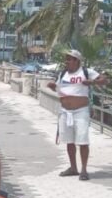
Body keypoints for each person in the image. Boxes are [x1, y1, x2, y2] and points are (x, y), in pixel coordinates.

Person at [46, 49, 107, 181]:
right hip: (65, 111)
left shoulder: (86, 72)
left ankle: (84, 169)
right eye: (66, 59)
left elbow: (104, 80)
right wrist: (52, 86)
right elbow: (57, 88)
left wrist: (92, 82)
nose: (66, 61)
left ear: (77, 61)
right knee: (69, 141)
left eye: (69, 59)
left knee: (83, 140)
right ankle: (73, 167)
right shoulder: (63, 73)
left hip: (81, 111)